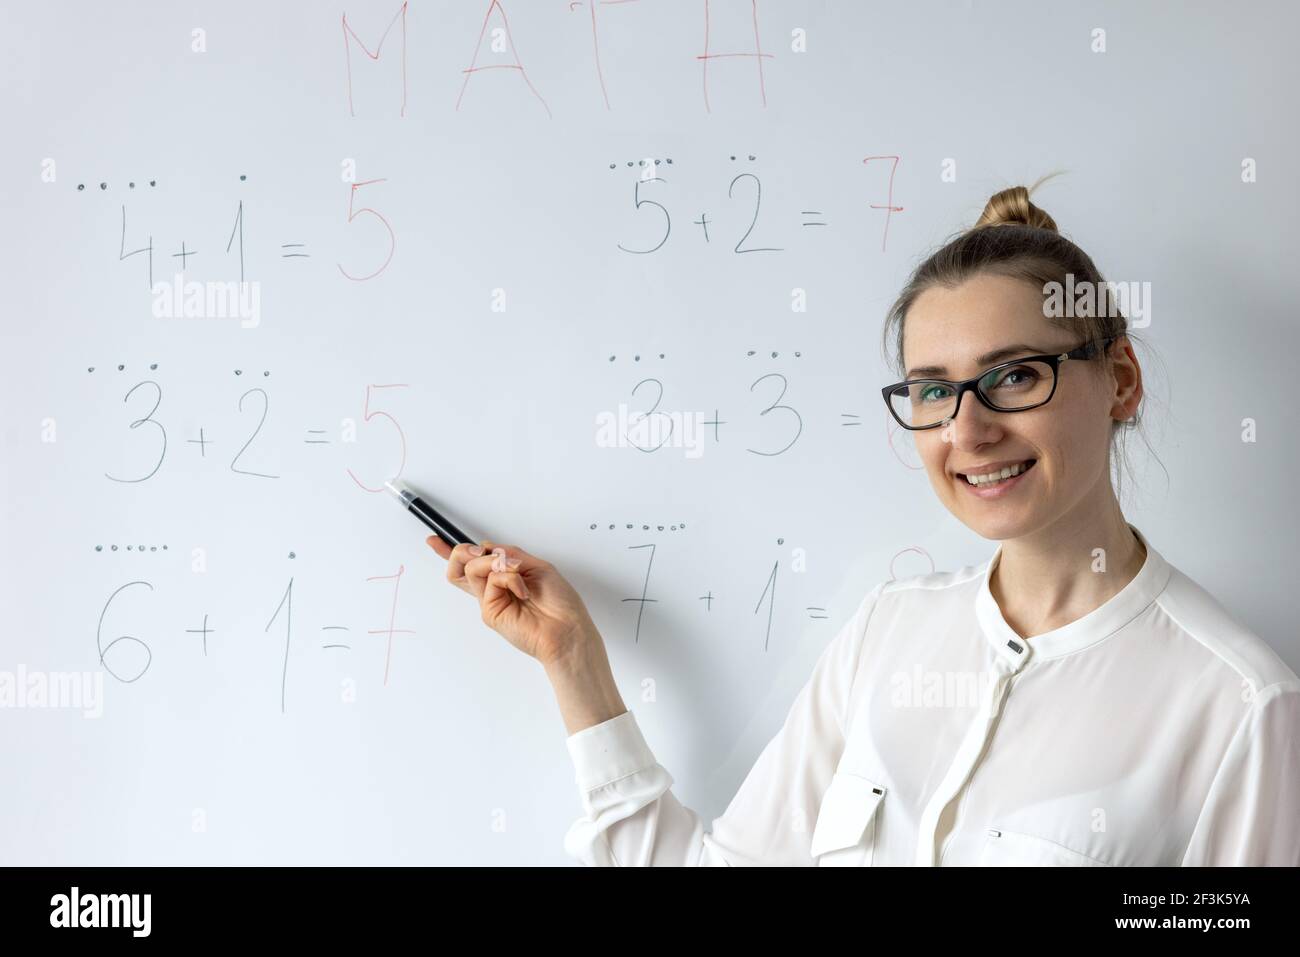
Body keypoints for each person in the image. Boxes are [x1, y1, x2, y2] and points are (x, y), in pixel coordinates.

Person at [425, 181, 1300, 866]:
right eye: (931, 390)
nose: (967, 429)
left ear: (1120, 380)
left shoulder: (1238, 706)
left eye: (1015, 375)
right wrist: (573, 660)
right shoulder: (891, 630)